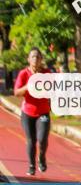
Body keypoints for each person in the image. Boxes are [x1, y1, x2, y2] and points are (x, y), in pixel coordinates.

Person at [14, 48, 52, 176]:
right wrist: (28, 86)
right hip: (28, 113)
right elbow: (16, 92)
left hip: (43, 113)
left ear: (41, 60)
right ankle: (31, 165)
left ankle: (41, 157)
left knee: (42, 140)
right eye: (33, 57)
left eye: (38, 57)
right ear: (28, 60)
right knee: (31, 140)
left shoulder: (47, 74)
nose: (35, 59)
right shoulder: (24, 74)